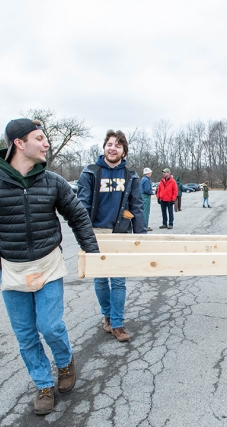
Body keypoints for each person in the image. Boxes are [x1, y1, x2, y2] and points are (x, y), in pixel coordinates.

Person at [0, 118, 99, 415]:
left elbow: (78, 217)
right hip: (12, 269)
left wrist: (91, 252)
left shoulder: (54, 182)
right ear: (19, 143)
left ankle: (65, 361)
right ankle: (44, 384)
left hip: (49, 265)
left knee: (50, 326)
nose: (46, 143)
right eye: (40, 138)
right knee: (26, 334)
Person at [77, 129, 146, 343]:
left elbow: (137, 206)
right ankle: (107, 315)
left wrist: (140, 236)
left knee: (118, 281)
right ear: (104, 147)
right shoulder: (90, 173)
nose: (112, 148)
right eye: (109, 144)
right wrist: (84, 235)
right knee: (100, 281)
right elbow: (82, 206)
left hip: (121, 234)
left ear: (124, 151)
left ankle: (117, 323)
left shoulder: (131, 176)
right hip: (96, 234)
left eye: (117, 145)